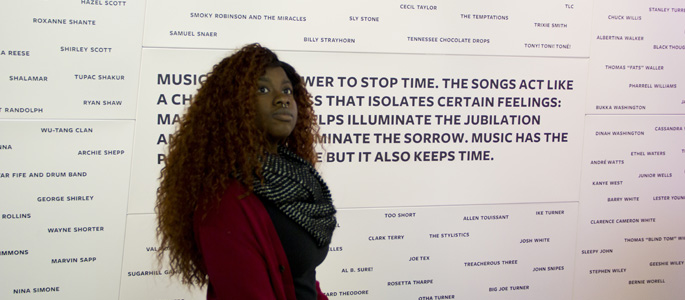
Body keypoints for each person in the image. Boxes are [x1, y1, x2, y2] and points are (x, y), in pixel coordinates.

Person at [155, 43, 337, 300]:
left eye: (287, 90)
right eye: (263, 89)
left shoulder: (298, 177)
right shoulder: (224, 202)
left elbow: (304, 278)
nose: (283, 98)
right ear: (234, 106)